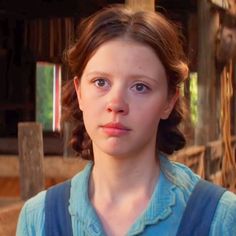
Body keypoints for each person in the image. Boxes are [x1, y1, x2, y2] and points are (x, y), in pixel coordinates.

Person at [16, 4, 236, 236]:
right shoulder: (38, 218)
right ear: (80, 93)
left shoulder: (220, 218)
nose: (116, 104)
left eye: (140, 87)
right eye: (101, 82)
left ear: (169, 101)